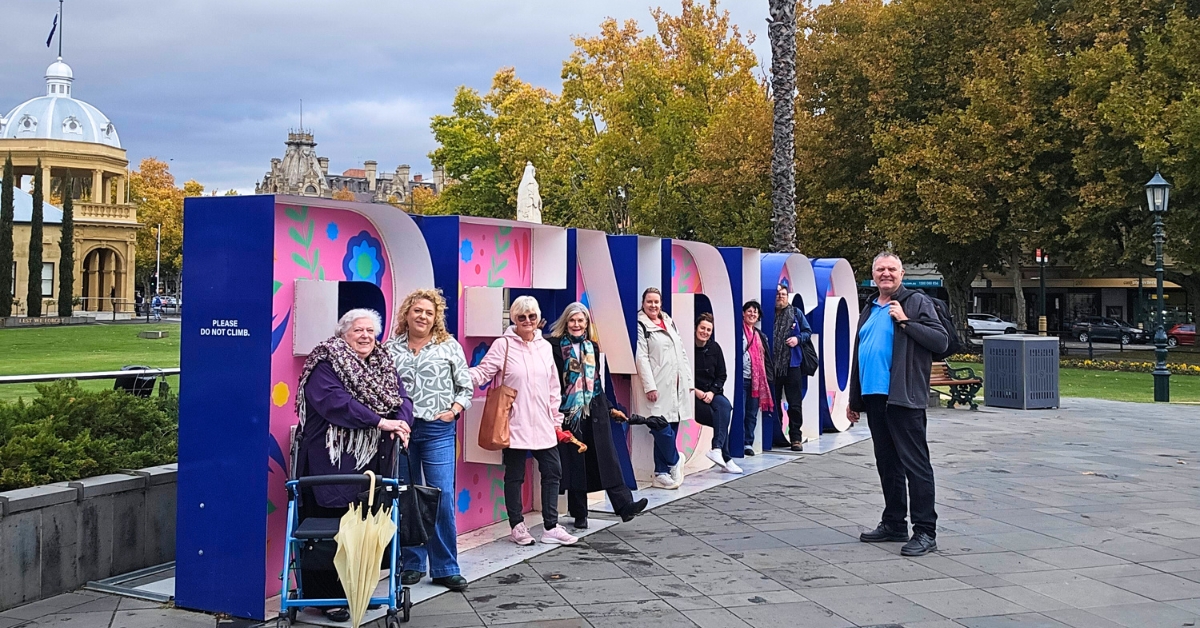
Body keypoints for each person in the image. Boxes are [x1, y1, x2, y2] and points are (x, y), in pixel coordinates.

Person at [294, 308, 414, 623]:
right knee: (328, 529)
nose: (365, 336)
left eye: (370, 331)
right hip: (330, 461)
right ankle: (324, 598)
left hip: (369, 464)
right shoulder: (325, 362)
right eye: (358, 330)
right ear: (343, 334)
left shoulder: (382, 364)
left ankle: (354, 590)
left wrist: (402, 423)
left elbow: (402, 399)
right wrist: (380, 422)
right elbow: (336, 403)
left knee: (361, 528)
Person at [848, 252, 948, 557]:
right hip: (875, 397)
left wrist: (905, 321)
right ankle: (893, 523)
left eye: (892, 269)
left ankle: (925, 531)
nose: (886, 273)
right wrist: (854, 399)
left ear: (902, 274)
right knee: (887, 463)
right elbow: (860, 353)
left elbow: (941, 341)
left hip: (904, 397)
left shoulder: (916, 302)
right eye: (880, 269)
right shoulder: (869, 306)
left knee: (915, 465)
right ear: (873, 275)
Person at [470, 296, 578, 546]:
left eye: (532, 316)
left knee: (553, 470)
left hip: (543, 421)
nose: (527, 321)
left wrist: (556, 420)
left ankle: (551, 526)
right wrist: (456, 374)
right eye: (522, 317)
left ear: (538, 318)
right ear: (514, 319)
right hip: (514, 421)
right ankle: (517, 525)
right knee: (515, 475)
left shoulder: (544, 347)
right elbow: (483, 372)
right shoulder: (503, 345)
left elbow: (553, 386)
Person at [384, 289, 472, 592]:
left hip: (437, 429)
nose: (422, 316)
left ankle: (446, 567)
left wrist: (454, 411)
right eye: (417, 310)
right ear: (407, 314)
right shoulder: (390, 348)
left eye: (429, 312)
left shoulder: (449, 346)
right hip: (402, 431)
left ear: (436, 318)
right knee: (406, 495)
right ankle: (412, 562)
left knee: (441, 494)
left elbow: (465, 386)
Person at [547, 302, 649, 529]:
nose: (576, 324)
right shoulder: (554, 346)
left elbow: (596, 382)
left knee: (608, 459)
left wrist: (610, 407)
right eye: (572, 320)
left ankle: (624, 505)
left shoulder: (591, 347)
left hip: (595, 409)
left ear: (586, 324)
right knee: (577, 463)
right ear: (566, 322)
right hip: (569, 412)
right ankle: (579, 514)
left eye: (580, 320)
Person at [634, 287, 692, 490]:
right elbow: (641, 357)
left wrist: (688, 380)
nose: (653, 305)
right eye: (649, 301)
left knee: (672, 423)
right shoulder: (641, 324)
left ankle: (661, 472)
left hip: (676, 383)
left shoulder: (668, 321)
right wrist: (649, 386)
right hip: (657, 384)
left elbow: (681, 352)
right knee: (659, 426)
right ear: (643, 303)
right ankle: (675, 460)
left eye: (656, 302)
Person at [692, 312, 742, 474]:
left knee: (725, 406)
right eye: (702, 328)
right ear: (695, 328)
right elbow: (683, 375)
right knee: (720, 418)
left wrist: (712, 392)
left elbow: (722, 375)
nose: (705, 332)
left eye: (708, 330)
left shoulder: (715, 348)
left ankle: (717, 449)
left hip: (712, 392)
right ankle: (726, 459)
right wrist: (697, 392)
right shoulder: (687, 347)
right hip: (693, 394)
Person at [770, 283, 813, 451]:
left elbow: (807, 332)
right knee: (773, 402)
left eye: (783, 294)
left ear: (788, 297)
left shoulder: (796, 313)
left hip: (792, 365)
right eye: (777, 294)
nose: (780, 297)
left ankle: (796, 437)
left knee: (794, 403)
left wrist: (797, 339)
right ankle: (777, 435)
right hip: (772, 366)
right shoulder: (768, 313)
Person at [741, 301, 774, 457]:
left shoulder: (760, 335)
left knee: (752, 413)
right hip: (741, 378)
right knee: (741, 412)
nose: (752, 314)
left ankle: (748, 442)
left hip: (756, 381)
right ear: (743, 313)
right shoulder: (739, 331)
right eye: (749, 311)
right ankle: (737, 441)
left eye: (755, 312)